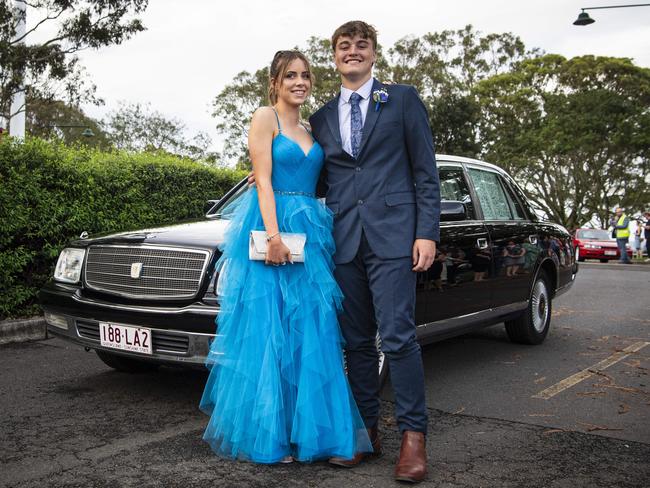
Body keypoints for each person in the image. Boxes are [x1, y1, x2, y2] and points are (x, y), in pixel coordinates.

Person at [199, 50, 372, 464]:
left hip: (311, 233)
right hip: (272, 225)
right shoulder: (265, 118)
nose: (299, 81)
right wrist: (274, 236)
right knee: (270, 329)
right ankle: (271, 437)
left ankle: (309, 434)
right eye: (290, 75)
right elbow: (261, 180)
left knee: (310, 330)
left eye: (305, 75)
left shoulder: (312, 128)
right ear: (275, 83)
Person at [309, 21, 440, 483]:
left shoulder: (402, 100)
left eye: (361, 45)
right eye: (344, 46)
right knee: (357, 344)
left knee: (399, 337)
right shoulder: (321, 117)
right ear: (335, 56)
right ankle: (366, 433)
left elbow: (426, 171)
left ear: (373, 54)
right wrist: (267, 174)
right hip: (343, 242)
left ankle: (413, 437)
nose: (352, 52)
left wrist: (427, 232)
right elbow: (319, 180)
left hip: (394, 238)